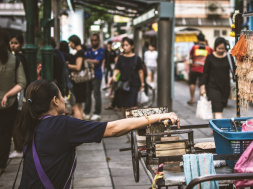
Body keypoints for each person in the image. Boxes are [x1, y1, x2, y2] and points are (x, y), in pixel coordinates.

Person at [18, 79, 179, 188]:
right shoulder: (61, 125)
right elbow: (113, 129)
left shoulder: (33, 123)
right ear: (55, 100)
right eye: (61, 95)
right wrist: (158, 116)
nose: (64, 99)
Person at [0, 29, 26, 174]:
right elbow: (22, 82)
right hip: (9, 103)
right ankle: (1, 164)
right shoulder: (15, 60)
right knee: (4, 134)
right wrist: (7, 95)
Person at [108, 37, 145, 117]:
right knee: (124, 106)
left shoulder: (137, 59)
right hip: (123, 84)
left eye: (127, 45)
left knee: (133, 105)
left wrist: (142, 84)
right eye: (124, 45)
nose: (125, 47)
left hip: (134, 84)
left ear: (132, 46)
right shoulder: (120, 58)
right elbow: (117, 68)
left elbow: (140, 72)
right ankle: (126, 122)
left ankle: (133, 124)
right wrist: (114, 76)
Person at [200, 37, 234, 119]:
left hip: (225, 87)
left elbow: (234, 70)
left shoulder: (229, 57)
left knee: (218, 108)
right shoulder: (210, 57)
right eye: (219, 48)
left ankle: (214, 127)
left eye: (223, 48)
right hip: (212, 87)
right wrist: (202, 86)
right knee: (217, 108)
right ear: (215, 47)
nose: (221, 50)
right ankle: (218, 129)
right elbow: (205, 73)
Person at [8, 34, 28, 159]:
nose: (13, 45)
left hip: (19, 93)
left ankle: (19, 147)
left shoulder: (18, 58)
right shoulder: (20, 57)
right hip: (21, 92)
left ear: (21, 44)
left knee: (17, 121)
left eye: (15, 43)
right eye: (11, 42)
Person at [187, 32, 213, 105]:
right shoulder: (209, 48)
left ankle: (192, 99)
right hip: (204, 69)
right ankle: (201, 99)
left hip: (194, 68)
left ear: (197, 39)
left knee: (192, 83)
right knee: (202, 84)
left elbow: (190, 56)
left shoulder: (194, 47)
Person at [84, 33, 105, 121]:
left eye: (95, 40)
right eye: (92, 40)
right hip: (87, 76)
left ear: (98, 41)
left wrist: (88, 61)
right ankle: (87, 112)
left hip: (97, 75)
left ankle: (97, 112)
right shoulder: (88, 50)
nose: (93, 42)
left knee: (96, 94)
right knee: (87, 94)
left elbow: (96, 61)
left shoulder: (101, 50)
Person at [67, 35, 86, 120]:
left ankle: (79, 126)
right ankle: (82, 125)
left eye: (70, 43)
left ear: (74, 42)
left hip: (77, 82)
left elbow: (78, 67)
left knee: (75, 106)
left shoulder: (79, 53)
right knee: (80, 105)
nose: (69, 45)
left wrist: (68, 65)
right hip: (81, 83)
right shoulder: (81, 52)